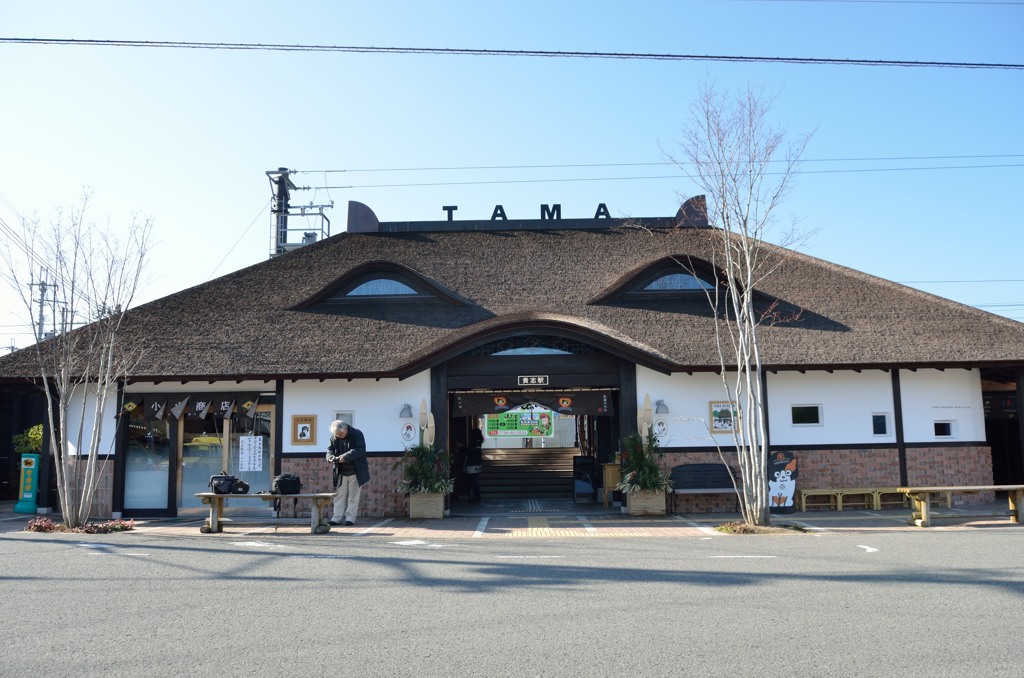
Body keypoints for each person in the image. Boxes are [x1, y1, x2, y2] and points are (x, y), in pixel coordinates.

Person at [326, 420, 369, 525]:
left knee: (353, 496)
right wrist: (331, 458)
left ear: (345, 429)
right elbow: (329, 450)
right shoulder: (334, 437)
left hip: (356, 470)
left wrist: (345, 457)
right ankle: (336, 518)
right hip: (340, 471)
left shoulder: (357, 434)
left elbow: (360, 449)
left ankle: (350, 518)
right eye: (337, 435)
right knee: (339, 496)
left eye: (341, 434)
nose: (339, 436)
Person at [464, 427, 484, 503]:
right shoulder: (479, 442)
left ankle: (476, 497)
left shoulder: (473, 443)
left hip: (472, 464)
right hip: (478, 464)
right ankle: (476, 497)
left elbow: (469, 452)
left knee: (473, 482)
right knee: (474, 482)